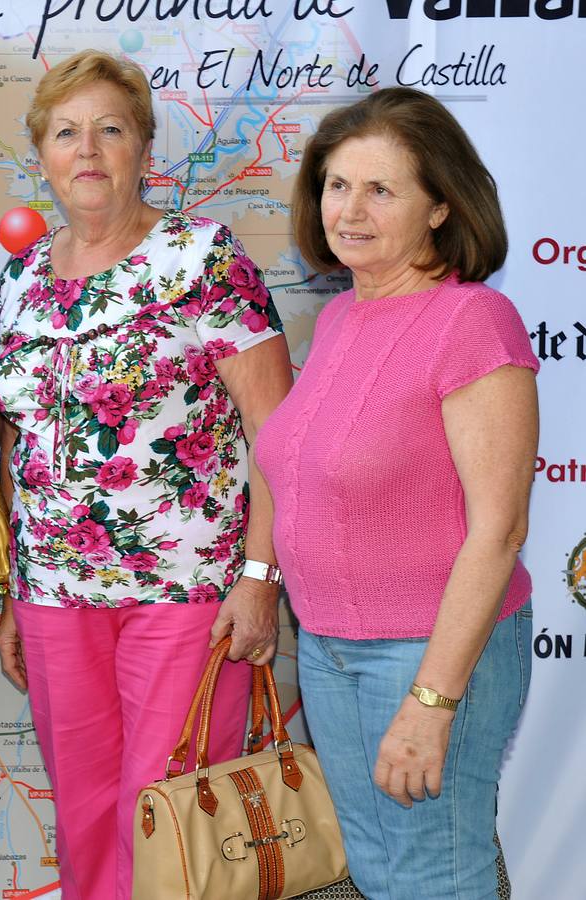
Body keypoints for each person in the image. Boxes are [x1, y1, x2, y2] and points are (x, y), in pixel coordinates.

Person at [0, 50, 292, 900]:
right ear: (42, 155)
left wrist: (260, 577)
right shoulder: (20, 281)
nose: (87, 150)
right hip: (54, 595)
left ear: (143, 149)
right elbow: (21, 439)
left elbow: (277, 430)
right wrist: (19, 588)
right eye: (65, 133)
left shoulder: (203, 258)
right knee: (83, 815)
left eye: (109, 130)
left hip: (189, 593)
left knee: (169, 824)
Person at [255, 87, 538, 898]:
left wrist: (430, 700)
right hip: (330, 651)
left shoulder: (473, 321)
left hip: (427, 657)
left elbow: (498, 531)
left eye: (381, 189)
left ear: (441, 207)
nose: (349, 209)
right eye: (337, 185)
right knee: (381, 878)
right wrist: (260, 581)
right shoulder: (342, 317)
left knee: (434, 880)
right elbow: (298, 471)